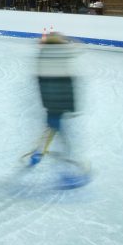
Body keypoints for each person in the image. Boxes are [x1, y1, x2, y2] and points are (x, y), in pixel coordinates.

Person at [27, 32, 89, 189]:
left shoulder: (42, 57)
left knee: (52, 129)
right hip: (61, 103)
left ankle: (37, 153)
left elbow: (41, 82)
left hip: (50, 103)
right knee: (63, 139)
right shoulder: (62, 54)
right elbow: (80, 47)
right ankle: (66, 174)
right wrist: (69, 38)